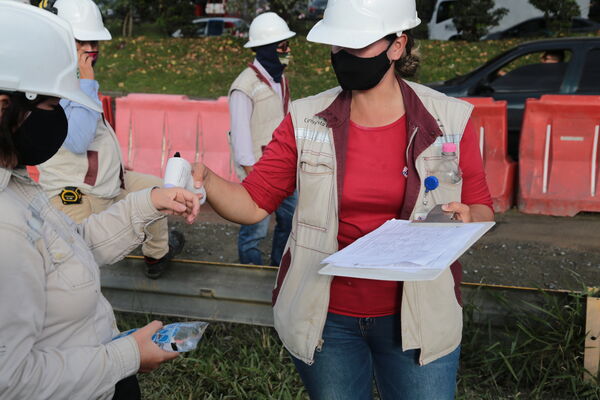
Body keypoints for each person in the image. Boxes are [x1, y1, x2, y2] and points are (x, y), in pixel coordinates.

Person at [192, 0, 495, 398]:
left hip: (421, 318)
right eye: (338, 45)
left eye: (359, 45)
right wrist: (207, 180)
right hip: (328, 322)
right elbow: (252, 203)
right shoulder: (306, 119)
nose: (344, 56)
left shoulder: (449, 121)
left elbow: (482, 208)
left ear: (397, 46)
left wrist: (468, 217)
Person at [0, 3, 200, 399]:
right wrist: (127, 356)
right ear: (7, 108)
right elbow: (12, 380)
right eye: (51, 107)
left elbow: (74, 247)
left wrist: (149, 203)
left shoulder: (18, 187)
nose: (57, 117)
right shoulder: (6, 229)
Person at [36, 0, 184, 279]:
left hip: (107, 182)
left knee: (155, 189)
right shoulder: (54, 84)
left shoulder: (73, 79)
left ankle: (157, 257)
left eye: (95, 41)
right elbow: (78, 140)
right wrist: (88, 83)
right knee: (79, 267)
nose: (92, 48)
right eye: (82, 41)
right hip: (78, 196)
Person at [228, 12, 298, 266]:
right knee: (254, 229)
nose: (287, 51)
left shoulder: (279, 79)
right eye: (282, 46)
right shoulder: (244, 87)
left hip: (284, 166)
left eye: (287, 45)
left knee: (289, 221)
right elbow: (241, 137)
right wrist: (252, 175)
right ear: (267, 49)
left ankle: (278, 269)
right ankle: (250, 275)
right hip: (258, 171)